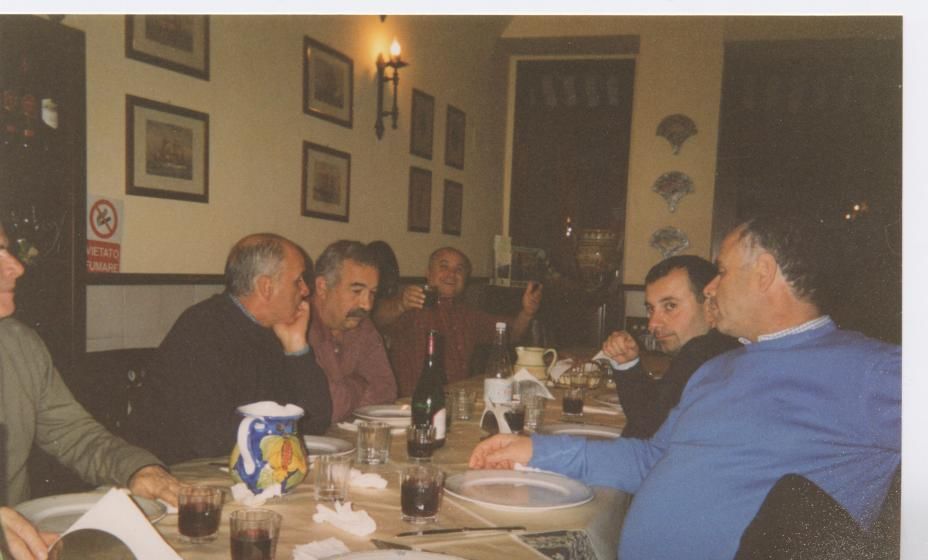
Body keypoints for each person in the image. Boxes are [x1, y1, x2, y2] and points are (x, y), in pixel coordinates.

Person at [469, 215, 900, 560]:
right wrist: (535, 450)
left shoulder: (871, 371)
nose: (710, 287)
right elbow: (652, 458)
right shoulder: (719, 367)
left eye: (722, 272)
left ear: (764, 273)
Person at [0, 221, 180, 560]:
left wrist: (136, 468)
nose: (17, 268)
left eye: (6, 249)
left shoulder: (19, 344)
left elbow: (74, 434)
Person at [130, 233, 332, 465]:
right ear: (266, 287)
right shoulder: (202, 329)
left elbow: (316, 419)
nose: (305, 290)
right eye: (297, 281)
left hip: (239, 464)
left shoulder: (274, 329)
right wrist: (284, 426)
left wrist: (297, 347)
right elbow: (211, 438)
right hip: (173, 469)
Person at [600, 255, 739, 438]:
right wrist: (627, 364)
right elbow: (654, 409)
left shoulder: (700, 351)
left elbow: (645, 430)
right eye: (651, 309)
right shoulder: (721, 347)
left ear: (711, 306)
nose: (652, 324)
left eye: (670, 306)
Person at [378, 246, 543, 396]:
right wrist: (400, 304)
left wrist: (527, 313)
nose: (451, 274)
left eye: (459, 269)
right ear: (428, 273)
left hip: (456, 402)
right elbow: (376, 319)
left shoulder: (467, 314)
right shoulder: (411, 306)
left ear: (465, 279)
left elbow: (511, 333)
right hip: (413, 404)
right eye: (444, 266)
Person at [309, 240, 397, 422]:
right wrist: (360, 383)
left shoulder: (362, 324)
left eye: (372, 293)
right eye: (357, 291)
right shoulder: (297, 327)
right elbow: (325, 406)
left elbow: (387, 390)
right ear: (322, 287)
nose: (367, 305)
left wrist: (344, 393)